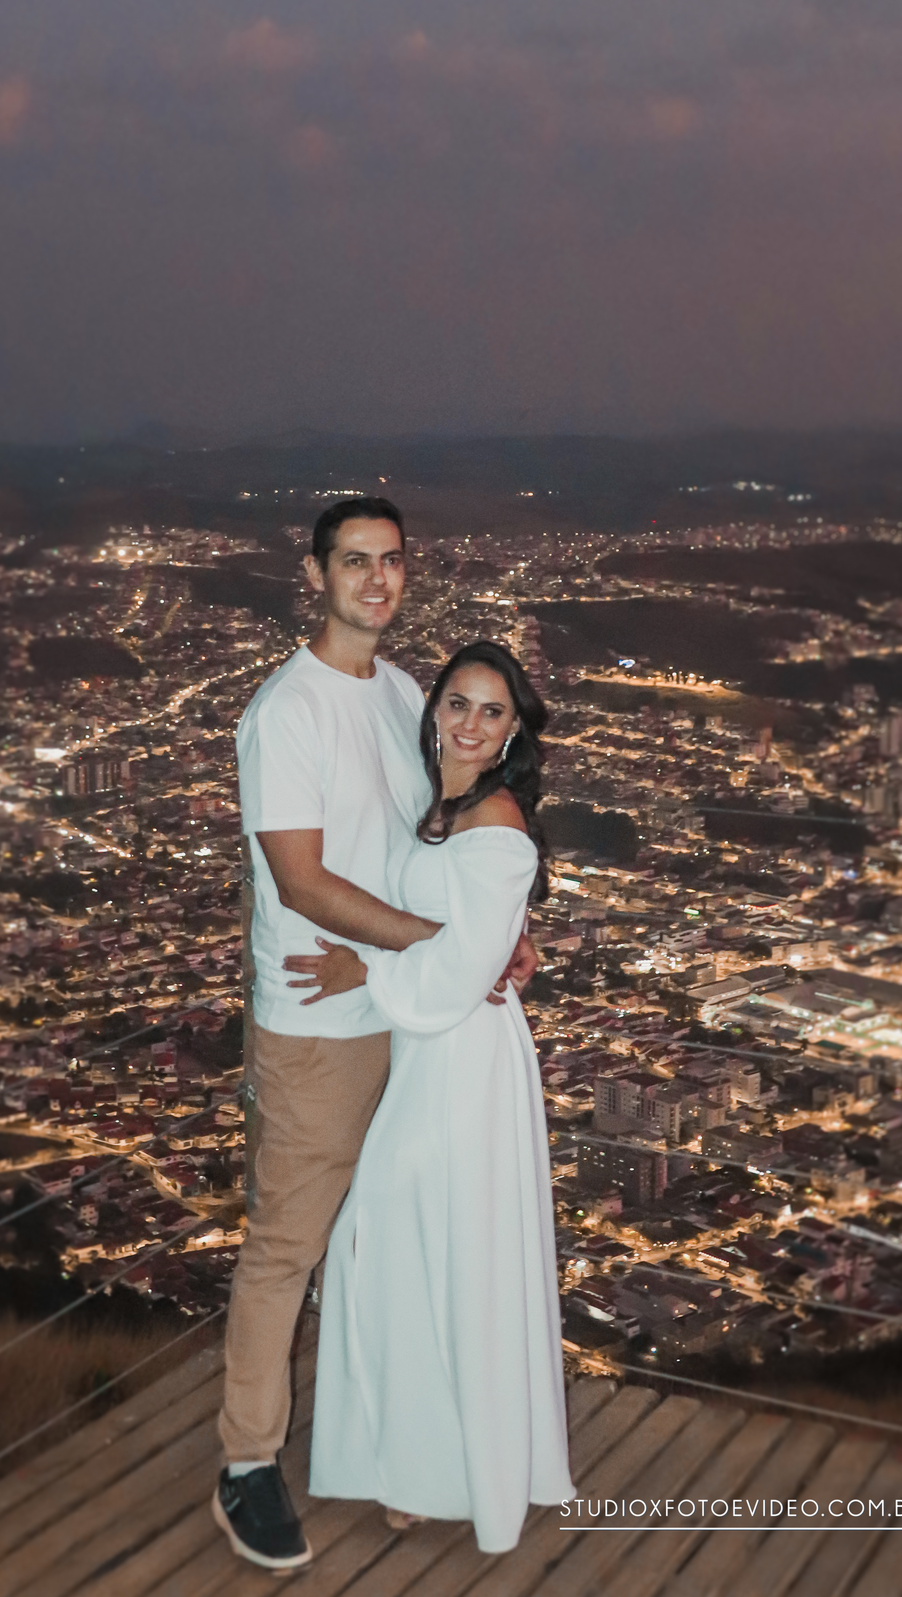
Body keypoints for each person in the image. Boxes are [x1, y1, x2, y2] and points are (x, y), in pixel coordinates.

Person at [213, 500, 538, 1573]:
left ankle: (409, 1446)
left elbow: (443, 840)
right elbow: (301, 880)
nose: (376, 579)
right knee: (290, 1246)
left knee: (397, 1245)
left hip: (415, 1023)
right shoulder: (286, 712)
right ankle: (247, 1463)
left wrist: (497, 935)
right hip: (322, 1020)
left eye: (391, 560)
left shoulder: (405, 695)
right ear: (316, 575)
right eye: (354, 561)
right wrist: (449, 947)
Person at [288, 641, 575, 1554]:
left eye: (493, 711)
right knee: (414, 1247)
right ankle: (418, 1465)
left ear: (514, 731)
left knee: (415, 1242)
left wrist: (363, 968)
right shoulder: (438, 805)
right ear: (435, 708)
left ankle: (439, 1470)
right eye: (459, 702)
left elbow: (457, 971)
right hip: (428, 1053)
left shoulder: (496, 823)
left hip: (464, 1062)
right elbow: (458, 932)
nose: (471, 723)